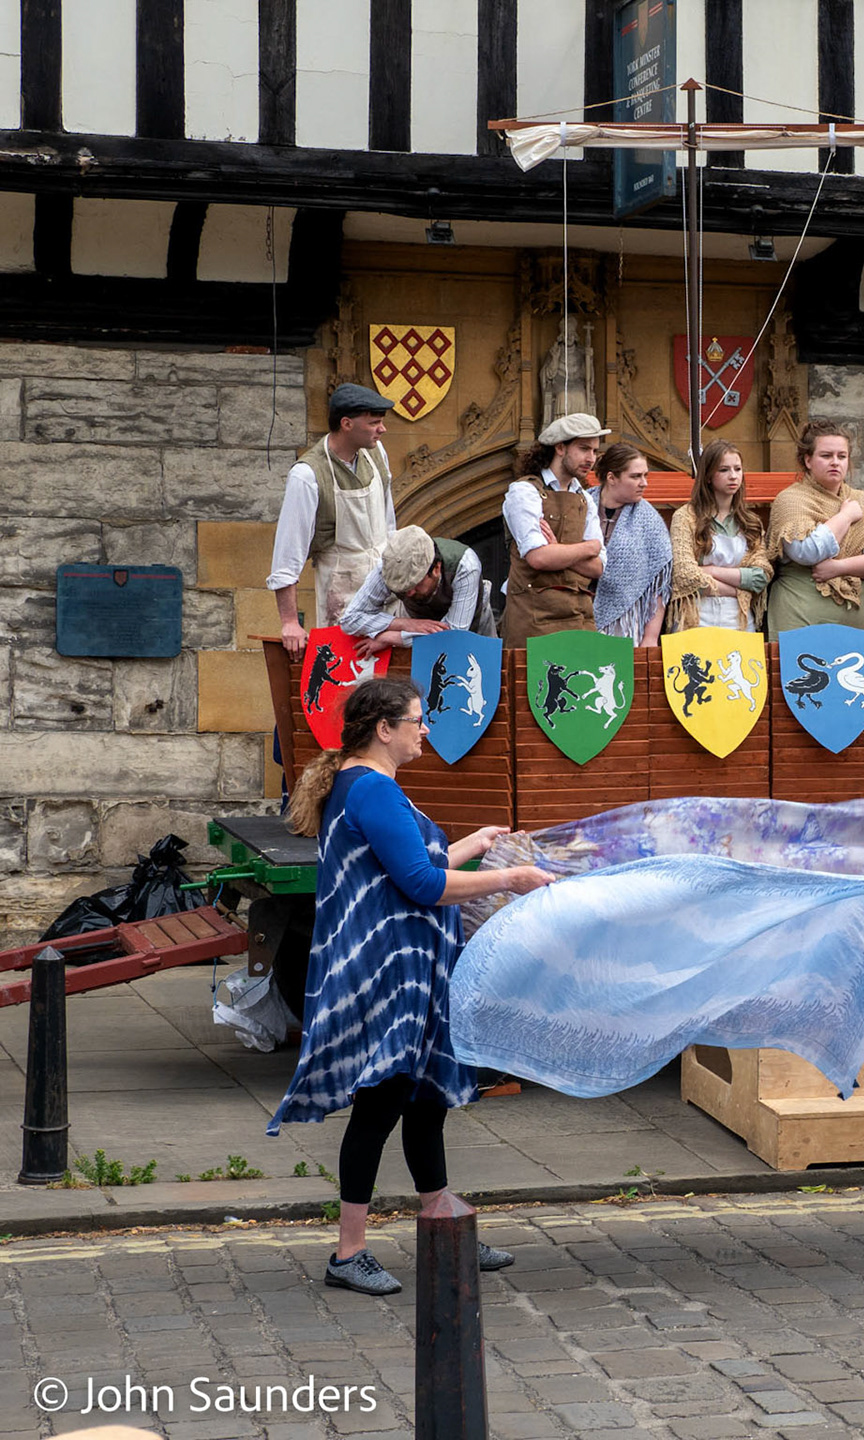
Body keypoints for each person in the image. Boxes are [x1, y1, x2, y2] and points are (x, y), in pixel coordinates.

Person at [273, 677, 553, 1296]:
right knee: (382, 1102)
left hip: (410, 965)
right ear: (385, 729)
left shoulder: (367, 786)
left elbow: (412, 870)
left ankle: (440, 1219)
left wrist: (469, 849)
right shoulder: (371, 789)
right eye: (417, 720)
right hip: (388, 970)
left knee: (427, 1098)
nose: (425, 729)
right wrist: (511, 879)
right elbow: (422, 888)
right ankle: (348, 1253)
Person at [267, 383, 398, 660]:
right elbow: (288, 554)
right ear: (347, 423)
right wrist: (290, 621)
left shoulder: (377, 453)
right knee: (346, 681)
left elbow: (388, 525)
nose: (382, 429)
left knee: (388, 688)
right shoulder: (307, 475)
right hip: (342, 591)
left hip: (383, 585)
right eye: (374, 423)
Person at [765, 421, 864, 637]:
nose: (835, 462)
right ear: (808, 460)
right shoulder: (790, 500)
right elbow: (806, 552)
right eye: (826, 456)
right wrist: (846, 516)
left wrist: (839, 568)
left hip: (858, 623)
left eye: (841, 456)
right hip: (801, 616)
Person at [500, 413, 608, 645]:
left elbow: (597, 567)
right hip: (533, 618)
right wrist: (587, 547)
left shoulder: (586, 500)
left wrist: (557, 549)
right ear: (560, 448)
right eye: (584, 449)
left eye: (595, 451)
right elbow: (538, 557)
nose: (591, 458)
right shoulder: (524, 492)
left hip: (579, 615)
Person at [337, 526, 494, 657]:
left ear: (436, 569)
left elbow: (453, 635)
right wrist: (406, 624)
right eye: (403, 588)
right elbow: (350, 619)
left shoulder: (465, 565)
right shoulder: (389, 567)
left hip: (472, 625)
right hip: (413, 618)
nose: (409, 593)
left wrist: (392, 637)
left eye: (415, 584)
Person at [666, 440, 771, 632]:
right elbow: (685, 576)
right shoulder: (686, 517)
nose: (733, 476)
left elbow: (761, 576)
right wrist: (738, 589)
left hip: (739, 618)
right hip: (696, 617)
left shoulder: (750, 522)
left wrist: (712, 570)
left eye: (737, 469)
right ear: (708, 476)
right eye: (724, 470)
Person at [593, 442, 674, 647]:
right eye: (636, 476)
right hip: (576, 619)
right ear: (612, 478)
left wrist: (650, 637)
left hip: (626, 626)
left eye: (645, 475)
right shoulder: (582, 505)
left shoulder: (649, 521)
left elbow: (658, 585)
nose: (644, 483)